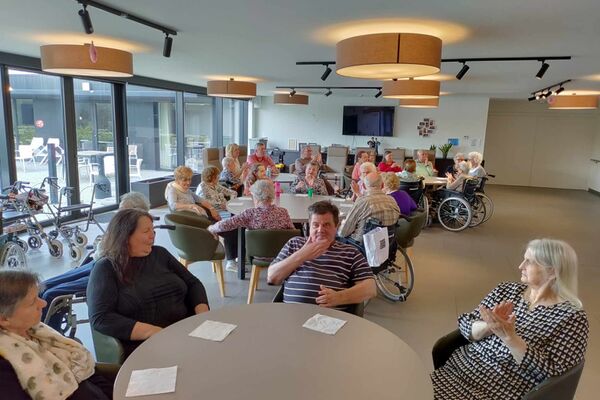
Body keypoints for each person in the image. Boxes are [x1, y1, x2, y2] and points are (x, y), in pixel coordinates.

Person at [431, 239, 589, 400]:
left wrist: (510, 338)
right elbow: (465, 324)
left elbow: (554, 376)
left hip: (501, 389)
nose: (521, 266)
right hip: (458, 371)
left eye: (530, 262)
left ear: (553, 272)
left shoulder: (572, 318)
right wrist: (488, 326)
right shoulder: (506, 290)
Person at [87, 208, 210, 359]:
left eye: (153, 230)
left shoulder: (160, 254)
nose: (153, 235)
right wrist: (153, 332)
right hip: (145, 346)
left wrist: (202, 317)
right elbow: (101, 318)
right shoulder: (106, 268)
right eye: (146, 231)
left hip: (185, 333)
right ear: (126, 236)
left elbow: (193, 283)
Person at [40, 192, 152, 333]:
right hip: (97, 263)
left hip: (110, 273)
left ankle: (50, 336)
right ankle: (33, 328)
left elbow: (111, 253)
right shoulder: (121, 227)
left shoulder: (136, 234)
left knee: (51, 294)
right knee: (43, 286)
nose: (117, 213)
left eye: (122, 210)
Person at [0, 270, 112, 400]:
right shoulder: (5, 366)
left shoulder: (38, 332)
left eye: (38, 297)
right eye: (32, 302)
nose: (43, 303)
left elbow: (88, 375)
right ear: (4, 319)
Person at [267, 201, 377, 311]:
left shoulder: (350, 252)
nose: (320, 230)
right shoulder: (294, 244)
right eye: (315, 225)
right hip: (291, 315)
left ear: (336, 226)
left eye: (326, 225)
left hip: (329, 320)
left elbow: (370, 288)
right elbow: (272, 277)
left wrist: (339, 297)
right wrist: (302, 255)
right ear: (309, 226)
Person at [340, 172, 400, 245]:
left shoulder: (362, 202)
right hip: (387, 243)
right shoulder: (392, 200)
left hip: (362, 245)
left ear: (364, 187)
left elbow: (343, 233)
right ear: (382, 185)